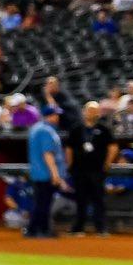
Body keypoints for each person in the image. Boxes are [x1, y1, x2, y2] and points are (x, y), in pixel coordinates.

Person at [68, 101, 118, 236]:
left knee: (98, 200)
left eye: (95, 110)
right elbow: (69, 148)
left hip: (97, 170)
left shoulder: (104, 128)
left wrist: (107, 163)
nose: (92, 113)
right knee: (80, 200)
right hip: (79, 170)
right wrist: (70, 165)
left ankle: (101, 228)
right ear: (84, 111)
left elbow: (113, 147)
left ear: (98, 113)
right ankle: (78, 228)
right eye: (89, 110)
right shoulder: (77, 129)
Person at [27, 105, 70, 238]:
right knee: (44, 203)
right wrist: (55, 174)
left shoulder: (35, 129)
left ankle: (34, 229)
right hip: (46, 174)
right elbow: (48, 154)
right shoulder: (46, 131)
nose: (57, 117)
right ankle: (41, 230)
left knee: (40, 202)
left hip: (38, 173)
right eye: (56, 115)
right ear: (49, 115)